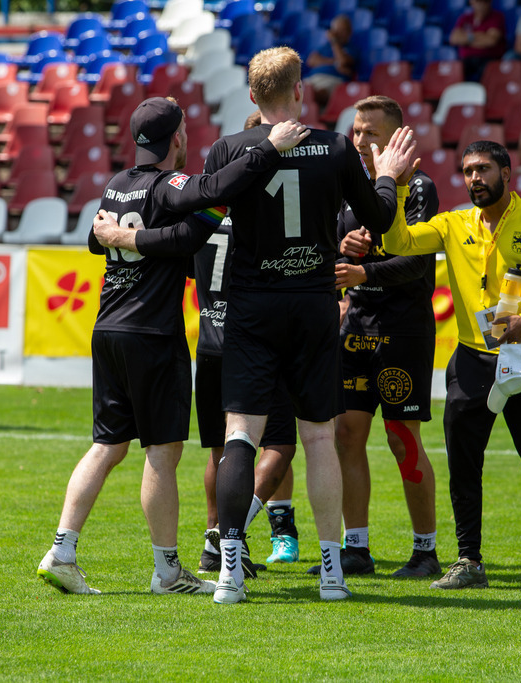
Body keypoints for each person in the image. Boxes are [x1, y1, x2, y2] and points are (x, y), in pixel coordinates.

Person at [36, 97, 309, 596]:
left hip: (107, 329)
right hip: (151, 334)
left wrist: (128, 235)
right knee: (162, 452)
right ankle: (167, 572)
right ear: (176, 139)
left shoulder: (117, 183)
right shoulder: (172, 185)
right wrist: (268, 148)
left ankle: (62, 549)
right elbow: (213, 191)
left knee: (106, 445)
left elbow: (101, 242)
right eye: (183, 130)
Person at [203, 46, 415, 604]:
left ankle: (227, 572)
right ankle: (331, 573)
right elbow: (381, 218)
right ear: (300, 90)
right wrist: (389, 175)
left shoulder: (229, 147)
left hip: (250, 308)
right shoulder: (337, 146)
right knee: (319, 435)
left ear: (252, 95)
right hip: (313, 304)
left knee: (240, 436)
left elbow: (204, 213)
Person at [361, 140, 521, 593]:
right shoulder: (452, 224)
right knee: (464, 466)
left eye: (483, 169)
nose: (474, 179)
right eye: (466, 171)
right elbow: (396, 242)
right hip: (470, 360)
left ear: (507, 171)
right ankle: (469, 561)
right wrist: (400, 187)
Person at [321, 95, 443, 578]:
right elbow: (330, 252)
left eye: (370, 132)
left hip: (403, 330)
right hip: (356, 329)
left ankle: (426, 550)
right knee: (346, 435)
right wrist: (340, 247)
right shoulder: (347, 186)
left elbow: (416, 264)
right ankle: (356, 549)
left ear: (396, 137)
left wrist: (361, 272)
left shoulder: (419, 188)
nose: (360, 140)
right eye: (355, 131)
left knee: (401, 437)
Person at [193, 111, 301, 575]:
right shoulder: (265, 220)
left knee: (220, 450)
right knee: (278, 446)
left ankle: (213, 538)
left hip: (208, 341)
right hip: (253, 340)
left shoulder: (205, 213)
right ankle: (230, 533)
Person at [448, 0, 508, 82]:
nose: (481, 4)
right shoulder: (465, 18)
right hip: (466, 59)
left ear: (490, 2)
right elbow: (454, 39)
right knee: (454, 72)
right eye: (477, 1)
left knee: (487, 73)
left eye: (484, 2)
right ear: (472, 2)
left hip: (489, 59)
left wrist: (467, 39)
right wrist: (480, 36)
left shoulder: (497, 17)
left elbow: (490, 40)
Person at [304, 14, 356, 108]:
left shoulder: (352, 48)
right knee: (294, 89)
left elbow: (343, 61)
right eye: (336, 30)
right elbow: (311, 61)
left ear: (349, 32)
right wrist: (335, 62)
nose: (338, 33)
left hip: (334, 80)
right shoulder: (326, 47)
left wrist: (334, 42)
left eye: (342, 30)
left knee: (315, 93)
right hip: (312, 78)